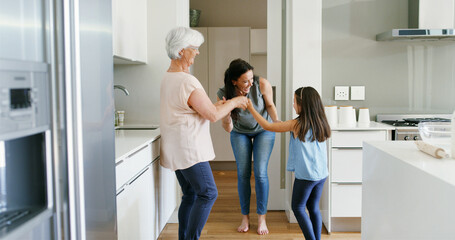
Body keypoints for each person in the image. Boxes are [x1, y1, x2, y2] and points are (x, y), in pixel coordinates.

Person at [160, 27, 249, 240]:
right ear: (181, 50)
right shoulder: (186, 81)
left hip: (176, 148)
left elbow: (192, 109)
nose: (197, 53)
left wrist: (217, 106)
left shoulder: (169, 77)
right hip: (189, 149)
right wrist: (236, 101)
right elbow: (211, 115)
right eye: (194, 48)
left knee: (190, 194)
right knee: (208, 193)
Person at [246, 86, 331, 240]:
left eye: (294, 102)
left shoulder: (296, 124)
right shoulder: (321, 122)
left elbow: (267, 126)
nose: (293, 105)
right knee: (313, 207)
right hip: (321, 174)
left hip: (306, 175)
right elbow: (280, 125)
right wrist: (280, 123)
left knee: (297, 207)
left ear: (302, 104)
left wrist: (251, 108)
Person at [217, 59, 279, 235]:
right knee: (243, 174)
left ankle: (262, 218)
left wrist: (276, 123)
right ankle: (245, 217)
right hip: (239, 132)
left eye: (251, 79)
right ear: (234, 81)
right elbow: (228, 128)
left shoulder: (261, 84)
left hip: (263, 130)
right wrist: (226, 114)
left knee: (260, 173)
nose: (250, 84)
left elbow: (270, 106)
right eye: (245, 81)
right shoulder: (223, 93)